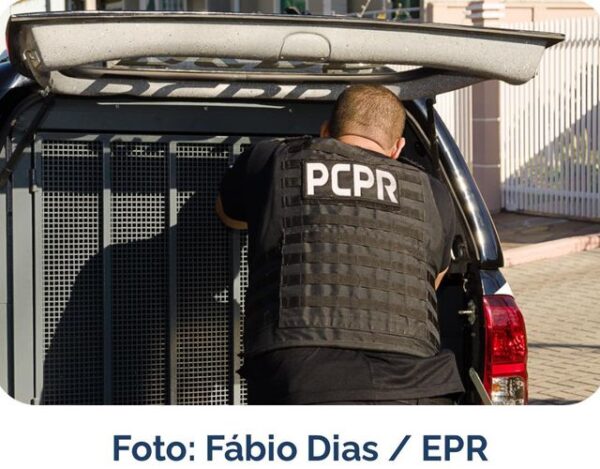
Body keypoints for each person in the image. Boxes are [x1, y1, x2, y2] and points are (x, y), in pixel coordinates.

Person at [216, 84, 464, 405]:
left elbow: (227, 213)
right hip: (419, 388)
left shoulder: (273, 159)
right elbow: (430, 282)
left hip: (304, 381)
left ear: (325, 132)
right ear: (397, 147)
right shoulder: (432, 192)